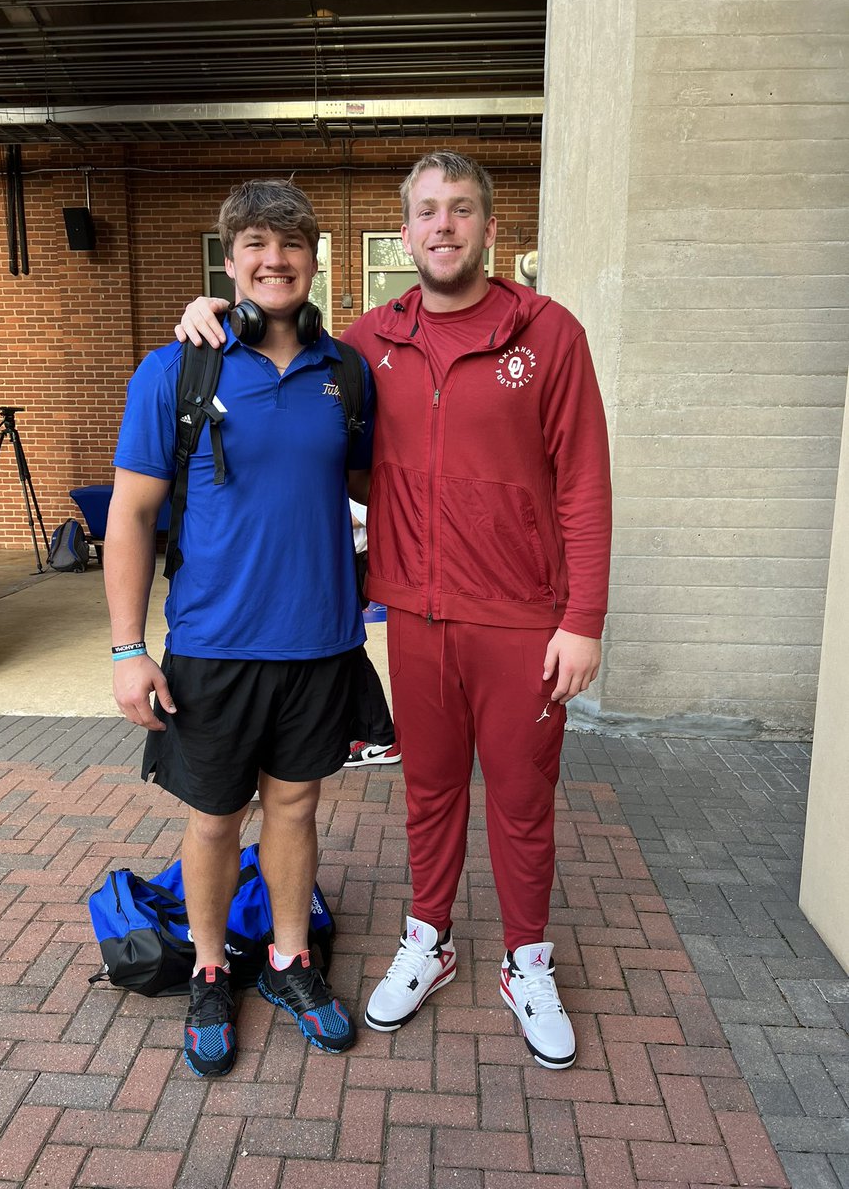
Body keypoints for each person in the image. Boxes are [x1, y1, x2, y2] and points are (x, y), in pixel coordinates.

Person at [176, 150, 612, 1071]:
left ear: (491, 229)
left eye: (461, 210)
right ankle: (430, 941)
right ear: (404, 232)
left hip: (524, 620)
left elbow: (583, 483)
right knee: (430, 793)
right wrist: (210, 315)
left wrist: (584, 617)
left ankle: (527, 960)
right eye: (425, 212)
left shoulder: (550, 335)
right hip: (411, 613)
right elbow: (290, 370)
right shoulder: (368, 343)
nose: (443, 225)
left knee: (524, 801)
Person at [104, 179, 374, 1077]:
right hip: (214, 647)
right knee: (217, 820)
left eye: (292, 243)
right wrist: (126, 648)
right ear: (231, 261)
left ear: (313, 259)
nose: (275, 258)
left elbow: (382, 487)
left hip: (322, 642)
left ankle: (292, 963)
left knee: (295, 808)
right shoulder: (179, 367)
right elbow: (133, 517)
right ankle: (213, 968)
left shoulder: (346, 373)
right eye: (256, 243)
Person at [345, 499, 401, 767]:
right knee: (345, 650)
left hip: (349, 560)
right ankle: (374, 733)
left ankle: (380, 736)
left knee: (348, 650)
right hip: (336, 557)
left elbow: (368, 511)